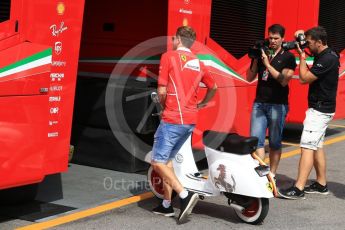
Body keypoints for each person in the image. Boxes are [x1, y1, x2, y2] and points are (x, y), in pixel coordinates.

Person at [151, 26, 217, 222]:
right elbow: (213, 86)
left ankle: (185, 195)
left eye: (173, 38)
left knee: (157, 162)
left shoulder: (168, 56)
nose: (172, 40)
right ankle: (166, 205)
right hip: (190, 120)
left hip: (173, 118)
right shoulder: (198, 62)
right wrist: (202, 103)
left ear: (178, 39)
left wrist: (163, 107)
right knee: (168, 160)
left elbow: (161, 90)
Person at [279, 26, 340, 199]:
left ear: (319, 42)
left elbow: (304, 79)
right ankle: (321, 184)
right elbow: (301, 33)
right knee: (317, 146)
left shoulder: (327, 59)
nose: (308, 45)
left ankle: (298, 188)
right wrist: (301, 38)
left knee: (306, 146)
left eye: (310, 42)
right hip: (323, 108)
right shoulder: (329, 53)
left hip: (319, 111)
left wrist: (302, 56)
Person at [246, 24, 296, 180]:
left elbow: (284, 80)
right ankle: (261, 174)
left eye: (276, 38)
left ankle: (272, 174)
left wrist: (268, 64)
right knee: (256, 141)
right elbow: (249, 78)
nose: (272, 41)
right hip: (259, 103)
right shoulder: (263, 54)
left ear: (282, 39)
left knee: (274, 141)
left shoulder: (288, 57)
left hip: (278, 105)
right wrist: (255, 59)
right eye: (271, 37)